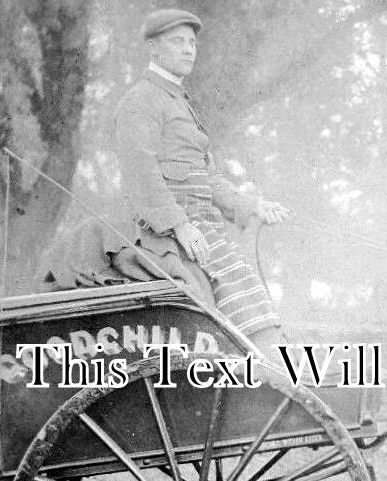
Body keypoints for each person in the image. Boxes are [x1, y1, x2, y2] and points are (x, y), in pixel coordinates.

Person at [115, 8, 287, 351]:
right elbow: (140, 171)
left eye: (191, 42)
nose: (188, 49)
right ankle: (265, 374)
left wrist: (251, 206)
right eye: (177, 41)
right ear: (153, 49)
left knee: (248, 289)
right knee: (235, 286)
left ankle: (272, 371)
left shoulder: (178, 101)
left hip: (202, 226)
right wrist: (179, 225)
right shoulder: (141, 100)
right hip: (165, 230)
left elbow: (204, 176)